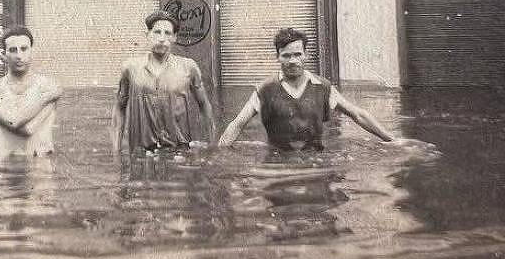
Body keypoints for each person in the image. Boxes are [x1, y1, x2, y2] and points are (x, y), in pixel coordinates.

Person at [218, 27, 393, 151]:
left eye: (297, 54)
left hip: (315, 160)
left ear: (305, 55)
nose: (293, 60)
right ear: (277, 57)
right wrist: (219, 154)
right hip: (277, 164)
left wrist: (393, 140)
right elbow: (237, 124)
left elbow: (358, 114)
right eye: (286, 55)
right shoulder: (265, 90)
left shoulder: (323, 87)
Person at [111, 10, 216, 155]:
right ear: (147, 35)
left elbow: (204, 105)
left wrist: (211, 146)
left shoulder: (188, 67)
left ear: (174, 37)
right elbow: (119, 107)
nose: (161, 38)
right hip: (140, 153)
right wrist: (116, 151)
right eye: (157, 32)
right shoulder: (130, 68)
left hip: (178, 152)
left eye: (167, 33)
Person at [0, 25, 62, 157]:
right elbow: (15, 122)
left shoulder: (49, 85)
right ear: (3, 55)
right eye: (13, 50)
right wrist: (46, 98)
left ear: (31, 52)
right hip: (8, 169)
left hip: (41, 169)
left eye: (24, 49)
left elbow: (27, 130)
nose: (19, 55)